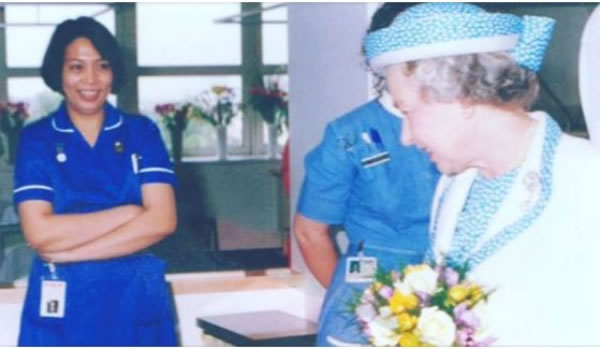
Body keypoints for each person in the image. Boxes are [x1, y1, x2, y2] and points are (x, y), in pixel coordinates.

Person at [365, 2, 600, 345]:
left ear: (460, 97)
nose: (406, 137)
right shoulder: (454, 183)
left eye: (408, 111)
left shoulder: (587, 179)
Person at [13, 17, 177, 346]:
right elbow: (39, 233)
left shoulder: (141, 133)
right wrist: (131, 213)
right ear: (58, 73)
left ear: (113, 72)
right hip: (65, 301)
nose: (90, 79)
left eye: (102, 66)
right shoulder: (37, 140)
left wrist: (72, 252)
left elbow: (163, 220)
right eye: (76, 66)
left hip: (134, 297)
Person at [294, 3, 440, 345]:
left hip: (452, 278)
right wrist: (362, 301)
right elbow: (309, 233)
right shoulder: (350, 134)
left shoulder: (466, 123)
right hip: (373, 274)